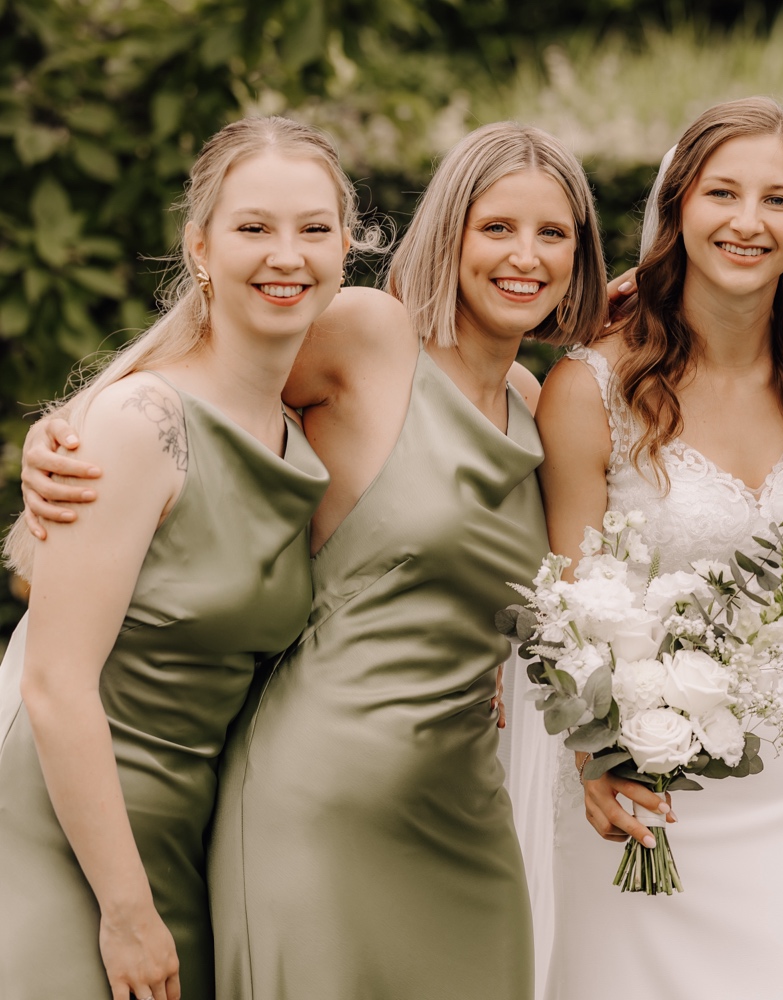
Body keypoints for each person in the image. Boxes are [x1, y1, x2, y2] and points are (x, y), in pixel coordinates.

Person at [18, 121, 608, 999]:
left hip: (459, 802)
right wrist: (69, 432)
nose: (524, 255)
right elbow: (204, 385)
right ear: (447, 232)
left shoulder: (537, 400)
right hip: (316, 795)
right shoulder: (371, 338)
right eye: (496, 227)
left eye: (552, 233)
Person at [0, 116, 355, 1000]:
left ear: (347, 247)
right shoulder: (141, 426)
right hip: (66, 835)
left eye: (314, 228)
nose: (288, 255)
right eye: (254, 228)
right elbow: (54, 683)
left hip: (184, 839)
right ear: (200, 247)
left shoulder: (298, 437)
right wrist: (125, 912)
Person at [535, 96, 783, 1000]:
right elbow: (571, 602)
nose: (748, 222)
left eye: (779, 200)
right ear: (678, 208)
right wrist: (599, 763)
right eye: (723, 193)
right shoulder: (590, 387)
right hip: (641, 785)